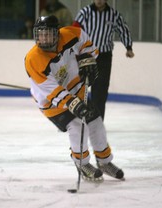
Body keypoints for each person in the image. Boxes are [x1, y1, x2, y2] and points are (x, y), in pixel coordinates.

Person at [24, 15, 124, 181]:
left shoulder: (72, 34)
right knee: (77, 126)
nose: (43, 38)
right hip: (53, 103)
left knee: (96, 123)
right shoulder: (33, 59)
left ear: (57, 33)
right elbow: (52, 91)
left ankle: (105, 162)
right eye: (40, 34)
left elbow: (88, 46)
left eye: (48, 33)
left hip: (77, 89)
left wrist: (87, 58)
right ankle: (82, 164)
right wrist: (73, 104)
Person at [73, 0, 135, 120]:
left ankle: (97, 120)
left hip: (104, 56)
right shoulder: (84, 13)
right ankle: (75, 118)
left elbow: (123, 30)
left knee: (101, 89)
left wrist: (128, 47)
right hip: (86, 55)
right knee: (79, 86)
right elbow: (74, 31)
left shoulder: (114, 14)